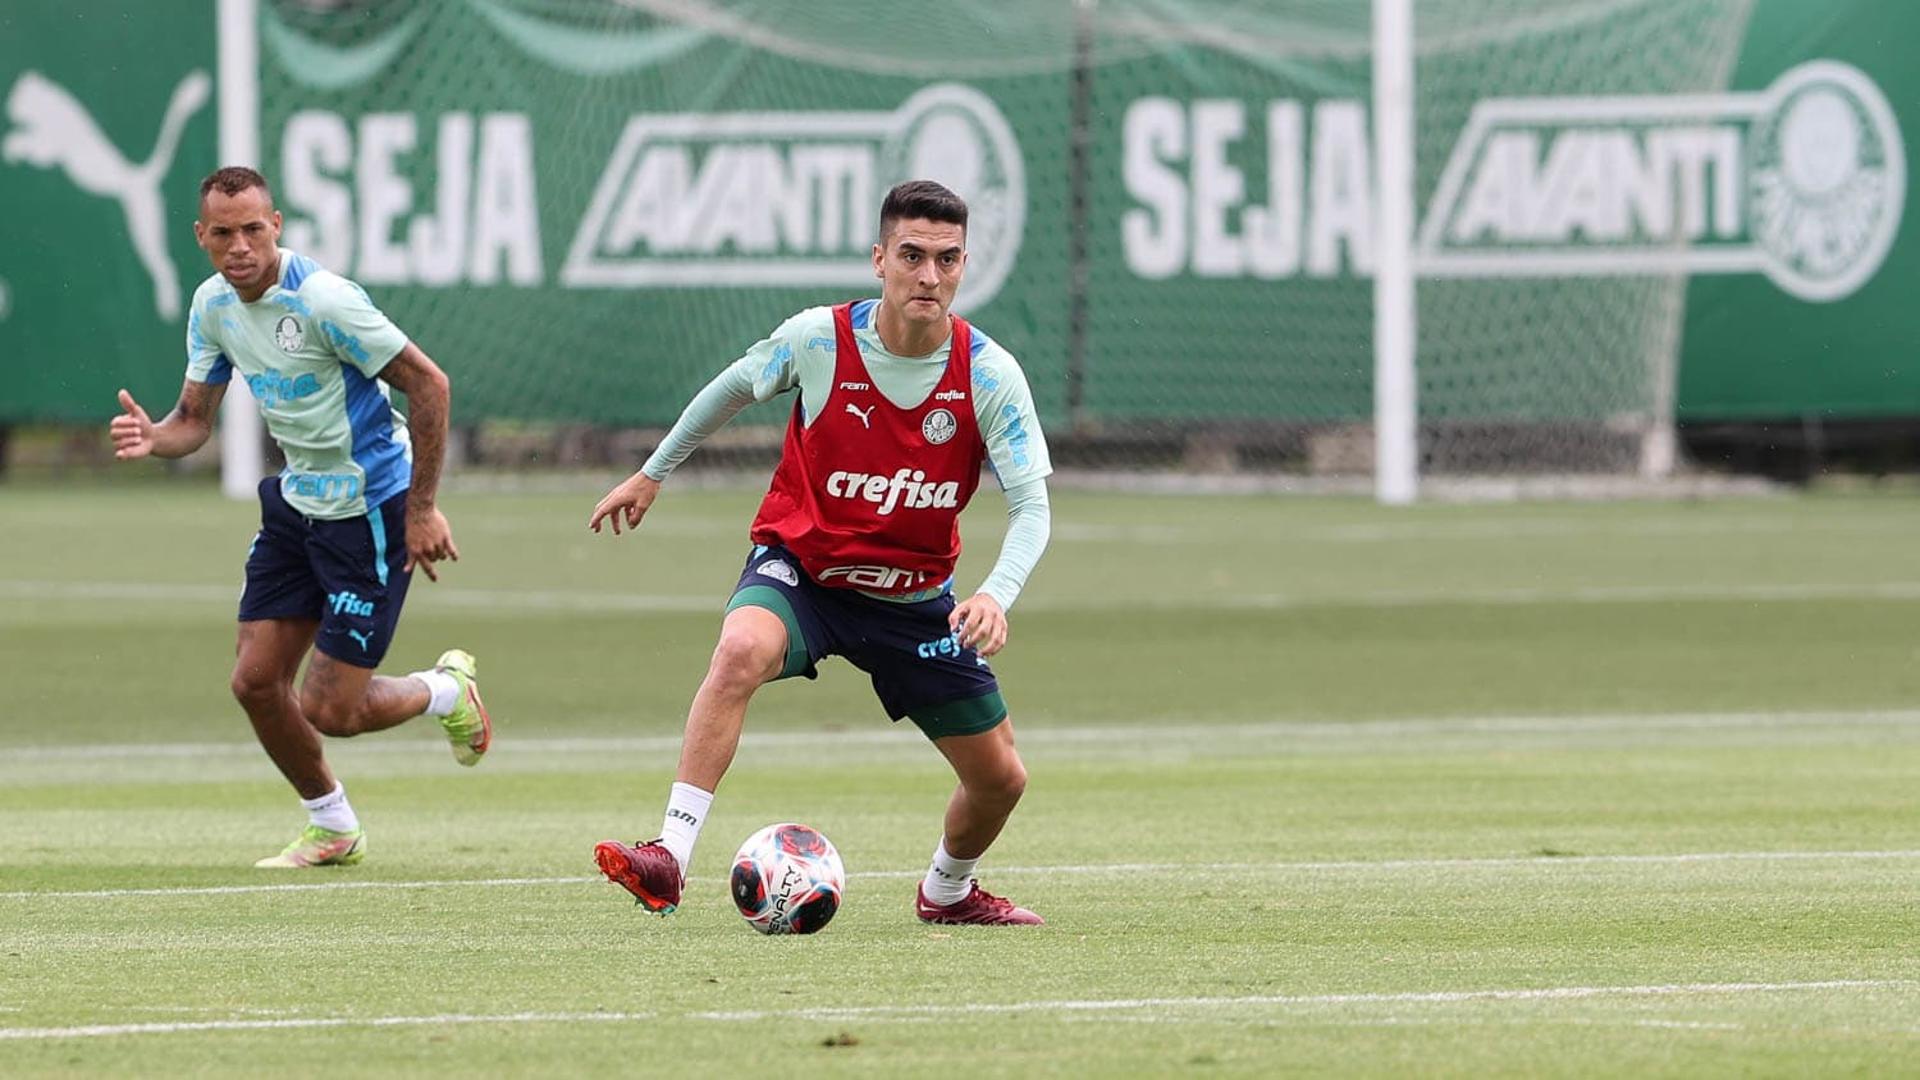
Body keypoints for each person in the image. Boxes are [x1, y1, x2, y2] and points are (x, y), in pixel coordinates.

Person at [590, 180, 1052, 925]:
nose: (928, 276)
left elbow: (1032, 508)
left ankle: (948, 892)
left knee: (1001, 780)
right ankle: (670, 857)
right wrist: (654, 472)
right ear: (879, 259)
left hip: (913, 601)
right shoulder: (819, 339)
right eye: (911, 255)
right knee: (740, 650)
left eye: (946, 259)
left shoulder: (989, 374)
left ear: (964, 265)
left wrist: (996, 592)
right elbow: (732, 389)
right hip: (803, 574)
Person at [108, 166, 494, 869]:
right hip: (296, 503)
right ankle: (333, 824)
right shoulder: (212, 306)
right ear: (201, 237)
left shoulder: (324, 301)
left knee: (331, 710)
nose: (240, 246)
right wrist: (157, 437)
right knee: (255, 682)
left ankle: (446, 691)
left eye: (254, 229)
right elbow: (195, 421)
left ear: (276, 225)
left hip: (369, 508)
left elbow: (429, 385)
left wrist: (422, 508)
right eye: (222, 233)